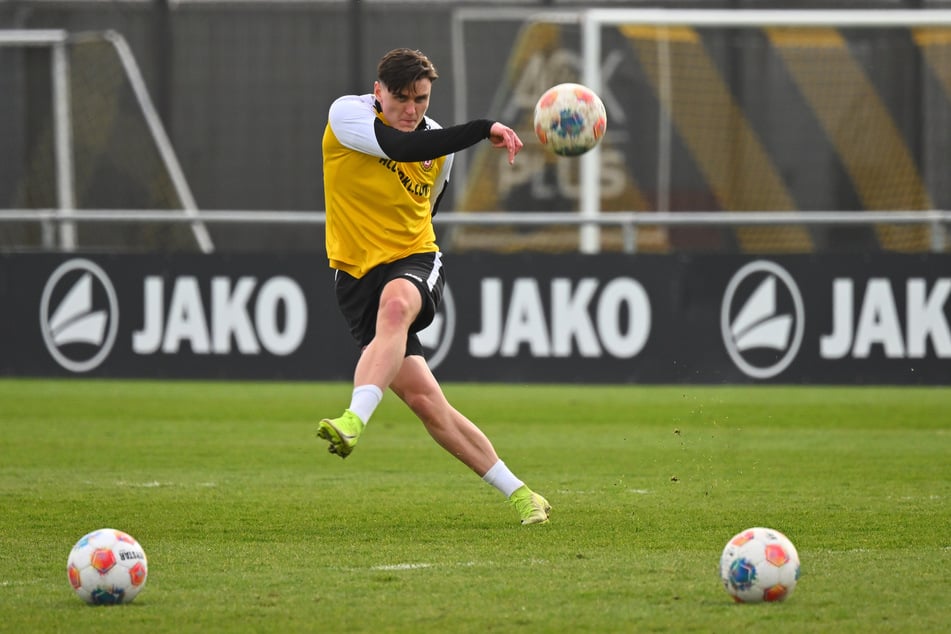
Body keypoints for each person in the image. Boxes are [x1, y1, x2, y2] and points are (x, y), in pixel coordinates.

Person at [317, 48, 551, 525]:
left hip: (414, 258)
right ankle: (523, 494)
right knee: (428, 403)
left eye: (420, 99)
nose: (412, 109)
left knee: (396, 307)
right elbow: (400, 148)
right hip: (354, 276)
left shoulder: (438, 145)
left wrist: (474, 131)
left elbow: (428, 210)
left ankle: (353, 419)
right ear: (378, 91)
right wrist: (484, 128)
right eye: (401, 98)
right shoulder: (346, 115)